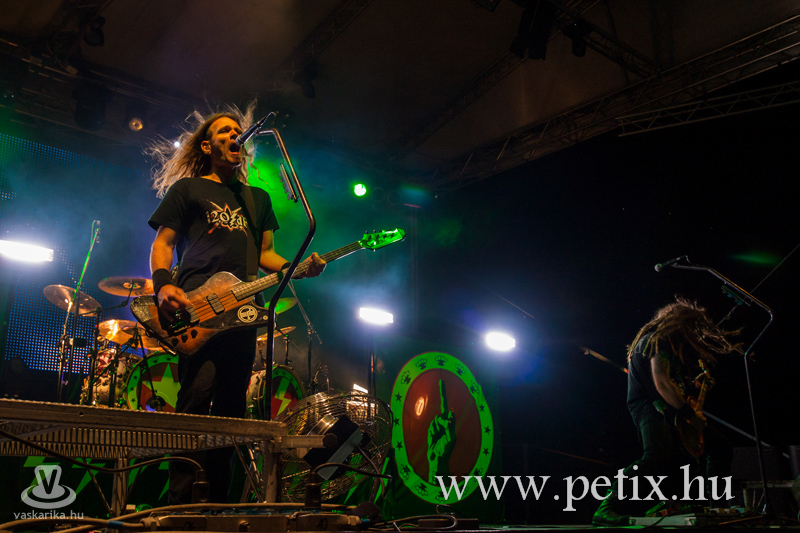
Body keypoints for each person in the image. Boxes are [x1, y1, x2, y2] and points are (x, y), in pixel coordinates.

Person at [146, 104, 326, 504]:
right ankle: (181, 504)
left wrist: (299, 267)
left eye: (237, 131)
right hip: (199, 306)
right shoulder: (188, 189)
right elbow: (163, 243)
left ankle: (219, 503)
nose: (234, 135)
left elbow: (267, 255)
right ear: (207, 145)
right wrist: (162, 285)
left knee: (232, 410)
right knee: (196, 399)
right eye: (225, 131)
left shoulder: (257, 198)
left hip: (244, 312)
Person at [593, 297, 740, 526]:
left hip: (667, 408)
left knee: (719, 447)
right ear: (679, 323)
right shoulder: (658, 340)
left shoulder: (669, 347)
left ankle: (716, 507)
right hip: (649, 406)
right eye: (691, 327)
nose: (693, 333)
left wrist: (695, 385)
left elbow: (672, 384)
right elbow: (661, 384)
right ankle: (606, 508)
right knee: (655, 456)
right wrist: (690, 416)